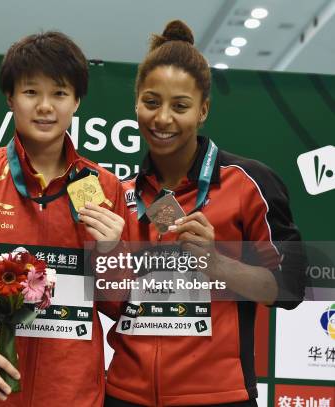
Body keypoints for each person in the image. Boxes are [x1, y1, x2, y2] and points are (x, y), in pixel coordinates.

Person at [105, 20, 305, 407]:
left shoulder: (248, 183)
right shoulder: (122, 194)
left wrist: (218, 265)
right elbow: (115, 305)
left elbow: (293, 286)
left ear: (203, 110)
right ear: (135, 103)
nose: (162, 118)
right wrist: (107, 260)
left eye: (180, 106)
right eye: (151, 102)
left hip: (218, 396)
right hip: (125, 394)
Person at [0, 31, 130, 406]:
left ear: (76, 101)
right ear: (10, 98)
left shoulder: (105, 188)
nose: (44, 106)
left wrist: (113, 254)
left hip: (71, 395)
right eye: (30, 92)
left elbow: (116, 305)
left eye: (58, 93)